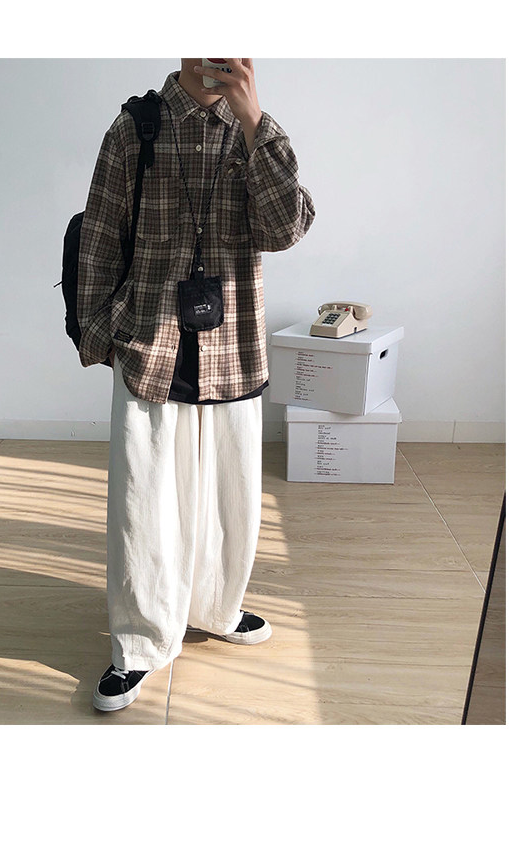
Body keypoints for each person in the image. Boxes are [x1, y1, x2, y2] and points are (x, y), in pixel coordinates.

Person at [77, 59, 315, 711]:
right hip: (150, 345)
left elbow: (285, 229)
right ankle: (140, 641)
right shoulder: (136, 127)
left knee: (229, 497)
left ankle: (215, 607)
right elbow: (100, 234)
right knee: (144, 505)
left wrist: (253, 117)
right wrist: (100, 335)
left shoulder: (256, 131)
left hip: (232, 346)